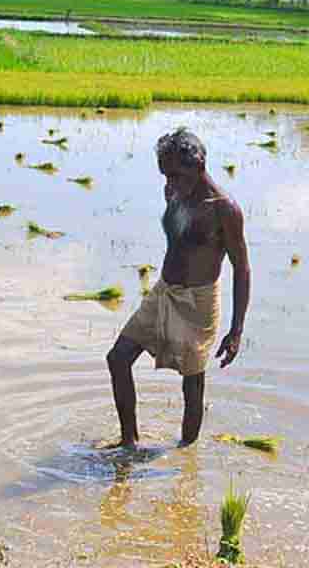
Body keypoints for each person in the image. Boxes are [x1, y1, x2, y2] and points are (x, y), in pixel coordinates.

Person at [106, 128, 251, 449]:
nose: (169, 183)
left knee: (192, 385)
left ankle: (186, 455)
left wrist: (236, 330)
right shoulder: (174, 192)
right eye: (165, 174)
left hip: (198, 302)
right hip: (164, 292)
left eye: (176, 175)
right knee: (118, 359)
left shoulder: (224, 210)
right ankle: (128, 442)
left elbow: (241, 267)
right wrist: (174, 188)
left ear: (199, 167)